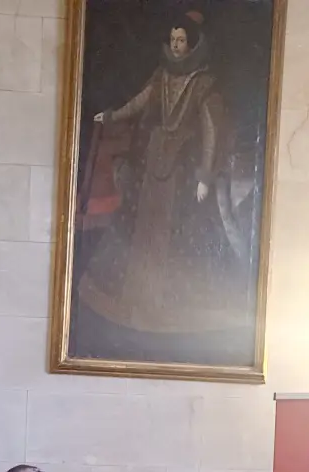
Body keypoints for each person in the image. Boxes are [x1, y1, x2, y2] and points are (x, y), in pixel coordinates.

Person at [76, 8, 243, 345]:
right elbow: (138, 104)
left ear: (193, 44)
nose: (176, 46)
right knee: (141, 232)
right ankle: (137, 301)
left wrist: (204, 177)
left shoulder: (204, 86)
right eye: (173, 40)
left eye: (182, 41)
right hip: (153, 166)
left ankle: (166, 308)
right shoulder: (161, 77)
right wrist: (109, 116)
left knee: (176, 240)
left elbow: (212, 133)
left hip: (182, 174)